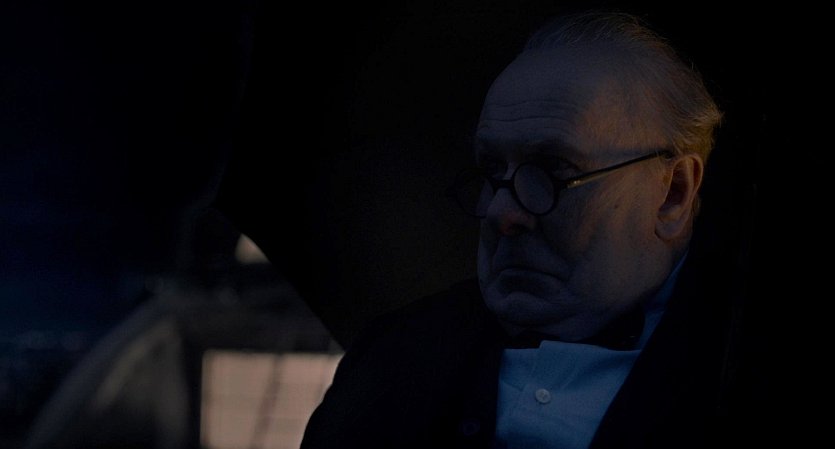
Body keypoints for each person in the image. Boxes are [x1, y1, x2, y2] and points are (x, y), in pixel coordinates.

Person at [301, 10, 764, 449]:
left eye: (552, 169)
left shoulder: (743, 361)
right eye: (491, 169)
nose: (500, 212)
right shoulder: (393, 357)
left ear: (673, 194)